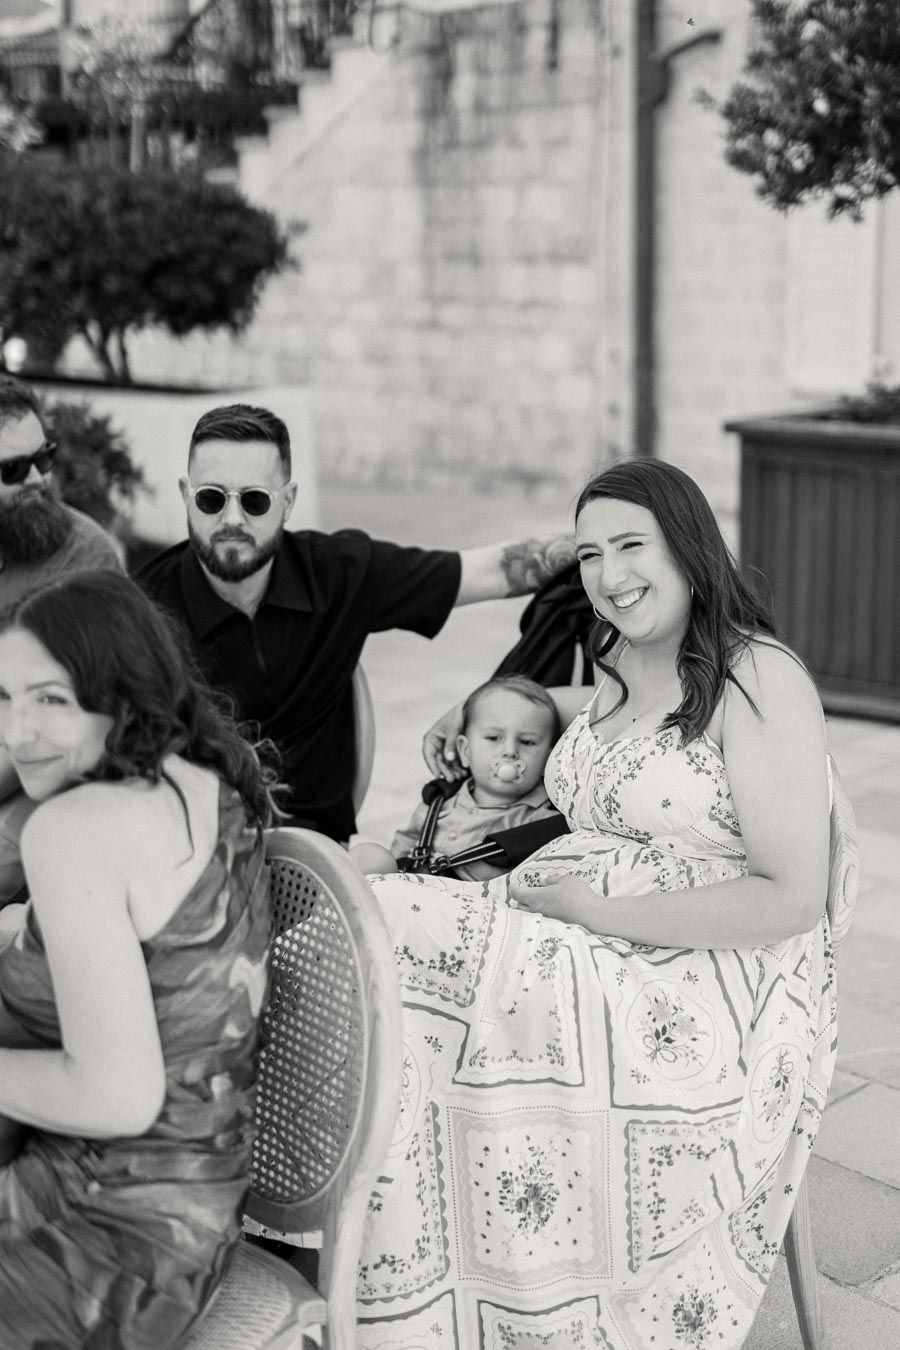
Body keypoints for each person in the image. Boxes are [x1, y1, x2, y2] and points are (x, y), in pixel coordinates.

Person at [355, 459, 834, 1350]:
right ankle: (406, 1258)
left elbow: (793, 897)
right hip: (570, 928)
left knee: (405, 933)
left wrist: (593, 914)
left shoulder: (757, 676)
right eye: (587, 555)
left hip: (701, 982)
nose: (608, 575)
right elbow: (599, 719)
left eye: (630, 546)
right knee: (386, 929)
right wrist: (477, 706)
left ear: (688, 547)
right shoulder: (621, 658)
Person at [0, 571, 273, 1348]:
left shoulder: (73, 827)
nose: (17, 732)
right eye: (3, 697)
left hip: (98, 1238)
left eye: (51, 699)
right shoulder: (206, 782)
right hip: (189, 1219)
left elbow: (116, 1096)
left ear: (119, 693)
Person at [136, 403, 575, 843]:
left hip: (314, 852)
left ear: (287, 502)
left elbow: (491, 571)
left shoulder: (339, 572)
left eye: (254, 500)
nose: (232, 519)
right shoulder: (140, 610)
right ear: (185, 495)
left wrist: (613, 544)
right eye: (211, 498)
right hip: (193, 849)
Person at [0, 373, 122, 904]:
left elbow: (63, 725)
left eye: (42, 458)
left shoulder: (85, 558)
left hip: (44, 784)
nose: (36, 479)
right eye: (11, 469)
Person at [350, 674, 561, 880]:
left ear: (547, 760)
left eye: (527, 742)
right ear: (465, 751)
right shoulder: (439, 803)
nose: (510, 751)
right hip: (416, 892)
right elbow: (407, 842)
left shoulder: (541, 824)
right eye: (494, 738)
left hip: (472, 908)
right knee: (369, 855)